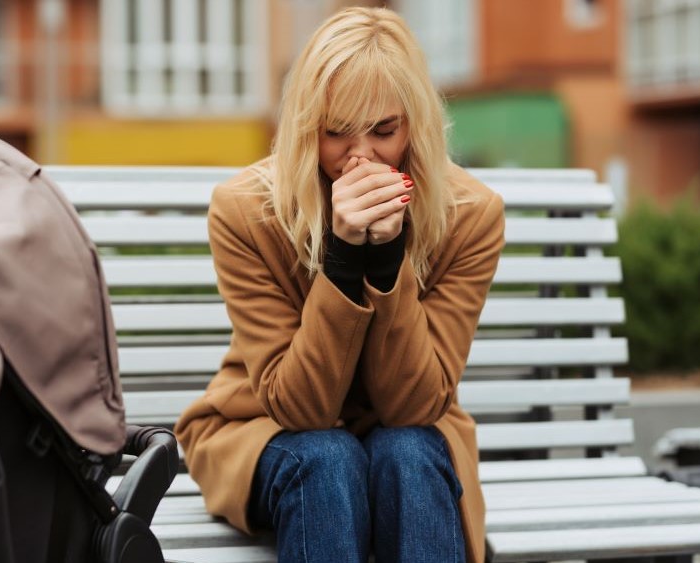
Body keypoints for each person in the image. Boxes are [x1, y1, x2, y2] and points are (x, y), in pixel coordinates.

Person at [174, 6, 505, 563]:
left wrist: (387, 261)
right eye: (336, 132)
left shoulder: (469, 214)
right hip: (264, 427)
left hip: (408, 436)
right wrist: (344, 261)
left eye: (384, 130)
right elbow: (299, 408)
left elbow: (415, 406)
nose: (361, 156)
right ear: (308, 128)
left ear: (414, 126)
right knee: (326, 458)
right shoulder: (245, 211)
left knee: (408, 451)